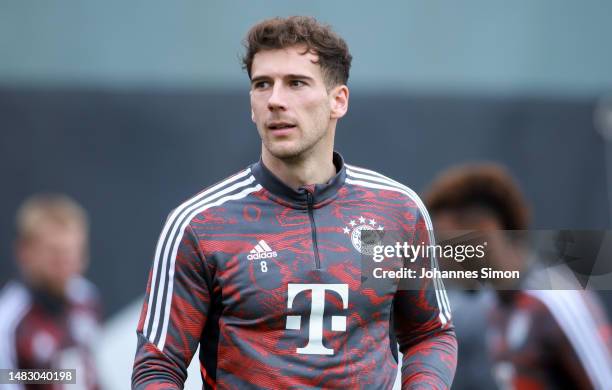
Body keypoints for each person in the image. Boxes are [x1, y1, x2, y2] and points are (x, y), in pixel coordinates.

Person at [132, 16, 456, 389]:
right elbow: (158, 366)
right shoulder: (200, 224)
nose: (275, 101)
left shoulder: (396, 212)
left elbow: (430, 334)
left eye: (296, 83)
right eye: (262, 85)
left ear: (339, 101)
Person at [424, 163, 612, 390]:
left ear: (484, 228)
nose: (441, 259)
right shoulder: (494, 308)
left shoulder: (555, 298)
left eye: (446, 244)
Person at [0, 194, 101, 390]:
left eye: (75, 253)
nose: (67, 265)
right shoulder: (9, 324)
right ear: (25, 252)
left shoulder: (86, 297)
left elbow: (91, 371)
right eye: (56, 254)